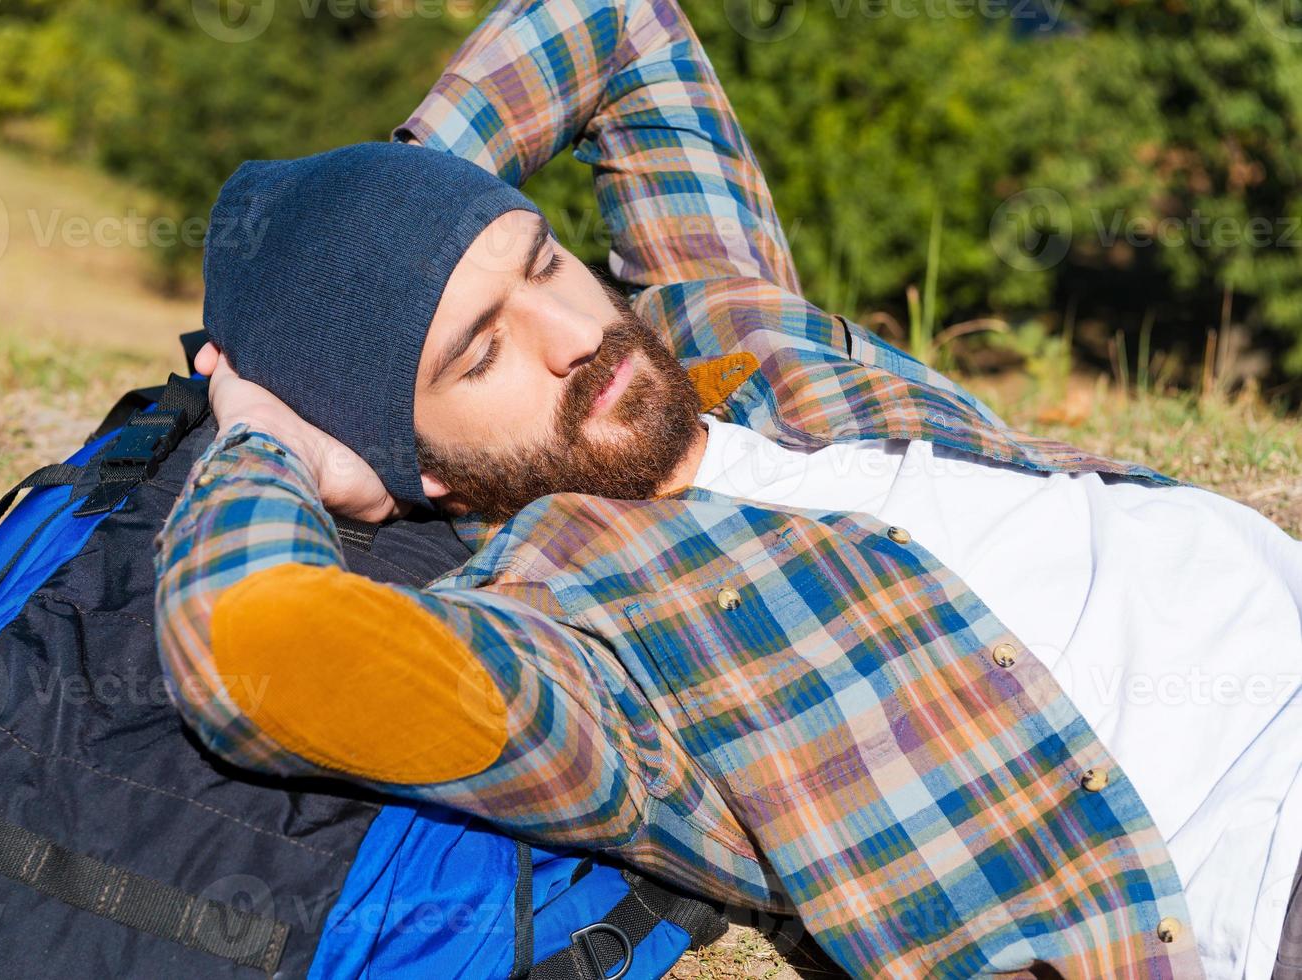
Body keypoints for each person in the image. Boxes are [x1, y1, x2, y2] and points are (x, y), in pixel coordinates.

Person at [153, 0, 1302, 973]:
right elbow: (259, 646)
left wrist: (396, 196)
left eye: (542, 260)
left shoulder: (732, 336)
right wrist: (267, 438)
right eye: (477, 351)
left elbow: (614, 22)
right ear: (426, 465)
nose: (570, 334)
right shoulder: (575, 631)